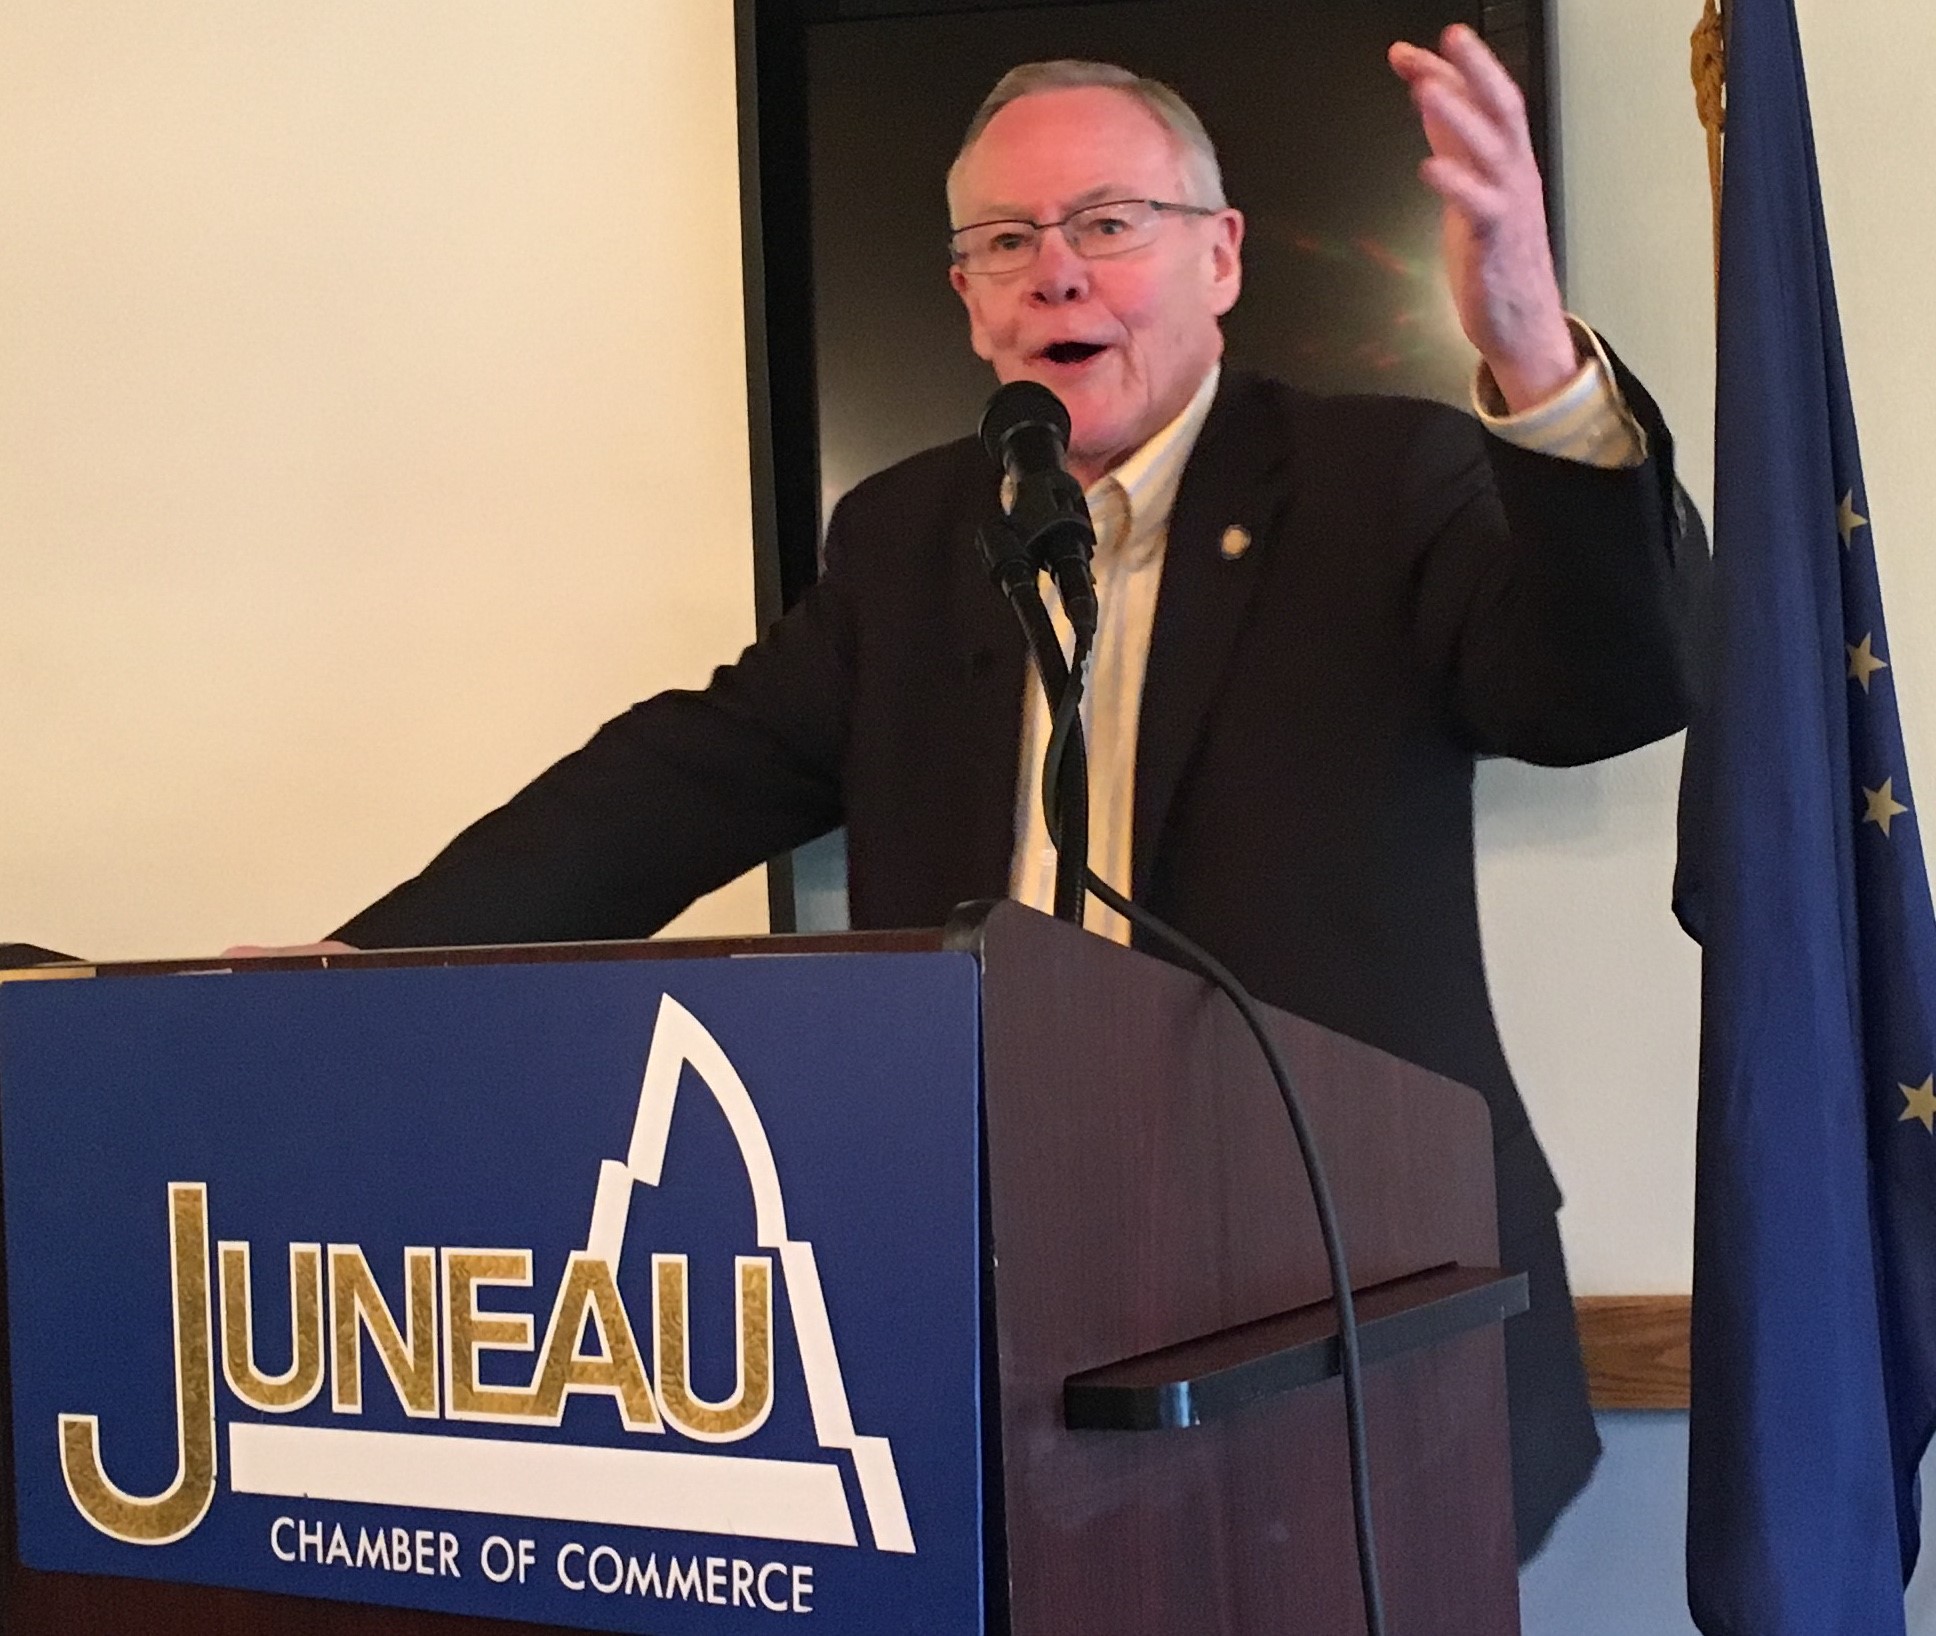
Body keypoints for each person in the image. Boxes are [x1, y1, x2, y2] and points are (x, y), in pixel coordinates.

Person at [235, 28, 1704, 1558]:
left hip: (1343, 1312)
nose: (1055, 272)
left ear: (1222, 258)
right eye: (1006, 240)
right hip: (1001, 1316)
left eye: (1109, 224)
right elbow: (679, 778)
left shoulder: (1381, 479)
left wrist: (1536, 360)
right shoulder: (908, 535)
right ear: (966, 300)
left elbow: (1612, 685)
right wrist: (369, 968)